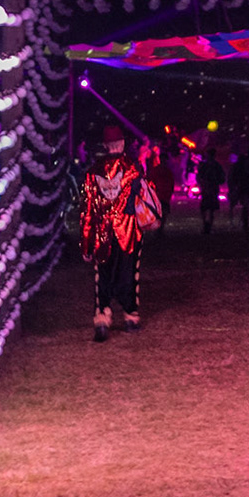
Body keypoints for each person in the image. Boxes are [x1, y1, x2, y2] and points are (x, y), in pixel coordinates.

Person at [81, 125, 155, 342]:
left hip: (102, 231)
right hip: (128, 229)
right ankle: (130, 316)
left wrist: (86, 244)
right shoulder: (133, 168)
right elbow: (145, 193)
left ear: (105, 145)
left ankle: (102, 318)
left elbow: (87, 210)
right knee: (129, 272)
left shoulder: (93, 172)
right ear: (122, 143)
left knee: (102, 275)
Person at [145, 144, 176, 234]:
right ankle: (159, 228)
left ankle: (160, 228)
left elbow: (171, 182)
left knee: (162, 212)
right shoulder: (159, 170)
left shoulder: (165, 171)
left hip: (163, 194)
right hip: (159, 194)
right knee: (160, 212)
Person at [228, 144, 249, 234]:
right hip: (244, 186)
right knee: (246, 204)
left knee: (246, 205)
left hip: (245, 186)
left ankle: (244, 222)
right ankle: (244, 223)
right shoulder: (245, 165)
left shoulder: (241, 164)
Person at [197, 144, 226, 235]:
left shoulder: (206, 165)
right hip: (211, 188)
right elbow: (222, 178)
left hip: (209, 188)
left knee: (207, 207)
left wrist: (203, 183)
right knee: (210, 208)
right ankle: (208, 224)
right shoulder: (215, 165)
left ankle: (206, 225)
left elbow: (199, 176)